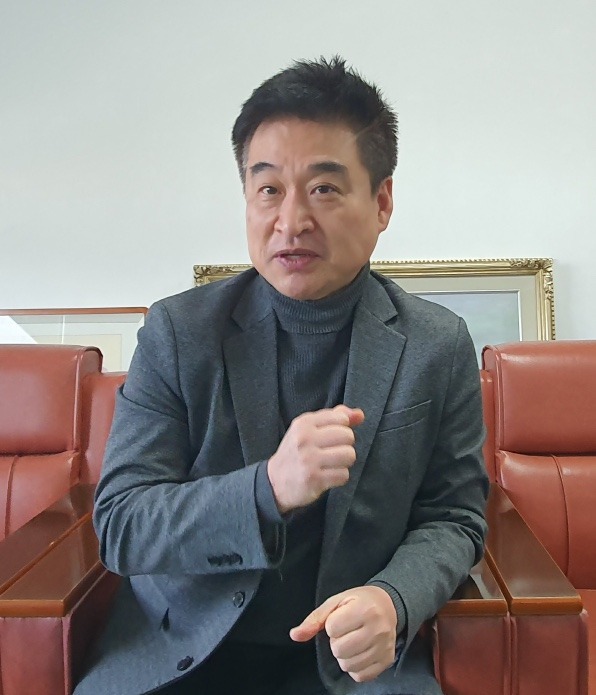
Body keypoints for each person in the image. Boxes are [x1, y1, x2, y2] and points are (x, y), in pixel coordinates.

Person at [75, 56, 488, 695]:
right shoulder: (179, 333)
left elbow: (455, 516)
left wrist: (395, 598)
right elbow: (124, 525)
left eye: (324, 188)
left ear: (381, 203)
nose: (290, 221)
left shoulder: (438, 344)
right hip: (184, 654)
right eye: (268, 189)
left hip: (352, 664)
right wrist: (267, 488)